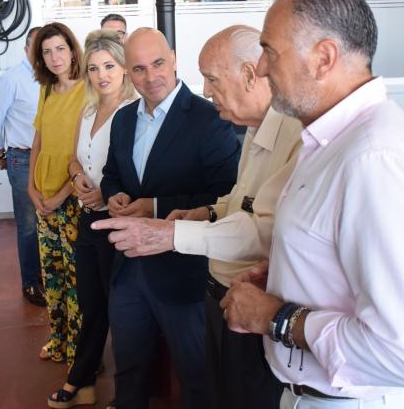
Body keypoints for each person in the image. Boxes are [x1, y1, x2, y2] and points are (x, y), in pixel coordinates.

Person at [220, 0, 404, 409]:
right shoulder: (332, 141)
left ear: (323, 57)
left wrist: (273, 316)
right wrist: (291, 273)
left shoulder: (375, 160)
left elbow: (403, 356)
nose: (263, 70)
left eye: (270, 51)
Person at [94, 25, 302, 409]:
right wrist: (205, 212)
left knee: (205, 380)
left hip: (205, 283)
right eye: (138, 68)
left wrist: (168, 228)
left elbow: (263, 228)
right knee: (133, 364)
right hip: (151, 272)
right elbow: (238, 201)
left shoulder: (237, 122)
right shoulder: (254, 128)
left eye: (212, 79)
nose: (206, 89)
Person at [96, 28, 241, 409]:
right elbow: (112, 175)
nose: (151, 76)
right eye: (139, 68)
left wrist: (155, 206)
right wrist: (117, 196)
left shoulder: (210, 119)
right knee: (128, 371)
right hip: (128, 270)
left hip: (184, 275)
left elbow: (227, 195)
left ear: (174, 58)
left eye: (158, 63)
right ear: (128, 71)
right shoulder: (124, 119)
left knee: (197, 376)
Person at [47, 29, 137, 408]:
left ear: (124, 69)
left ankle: (128, 390)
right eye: (95, 67)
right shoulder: (88, 109)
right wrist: (77, 178)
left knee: (123, 309)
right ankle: (82, 379)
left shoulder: (133, 113)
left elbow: (138, 175)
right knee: (90, 303)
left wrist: (106, 192)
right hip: (88, 220)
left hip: (117, 222)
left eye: (110, 66)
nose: (102, 75)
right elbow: (74, 158)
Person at [28, 22, 87, 364]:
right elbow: (38, 140)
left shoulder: (87, 90)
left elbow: (87, 152)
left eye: (59, 49)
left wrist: (62, 195)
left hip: (72, 200)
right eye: (47, 51)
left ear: (72, 49)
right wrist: (31, 187)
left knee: (77, 281)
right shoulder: (47, 90)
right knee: (52, 277)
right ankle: (58, 340)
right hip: (43, 200)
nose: (54, 57)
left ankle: (80, 351)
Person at [0, 26, 46, 306]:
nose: (46, 54)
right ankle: (31, 284)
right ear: (26, 49)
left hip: (54, 159)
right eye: (39, 48)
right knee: (29, 225)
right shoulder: (13, 79)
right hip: (23, 159)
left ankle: (53, 278)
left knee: (53, 222)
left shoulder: (57, 79)